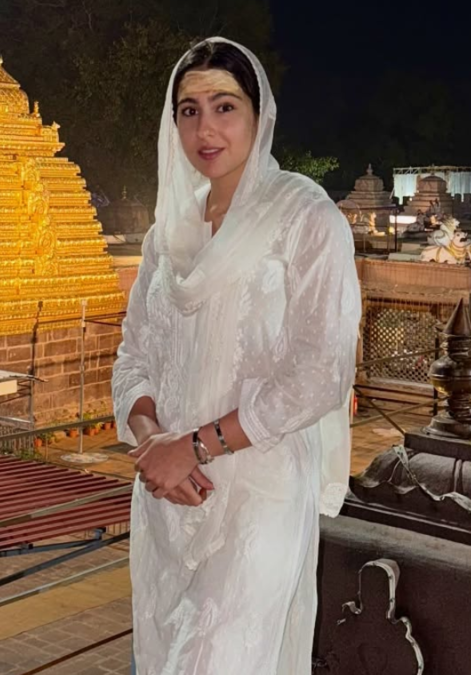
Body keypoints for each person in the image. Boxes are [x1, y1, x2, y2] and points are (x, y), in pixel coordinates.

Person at [111, 38, 361, 674]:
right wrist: (151, 443)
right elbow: (133, 353)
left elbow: (320, 373)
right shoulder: (167, 234)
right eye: (189, 110)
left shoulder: (304, 217)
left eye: (224, 106)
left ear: (257, 114)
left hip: (259, 491)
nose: (206, 127)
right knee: (165, 652)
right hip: (168, 493)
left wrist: (190, 447)